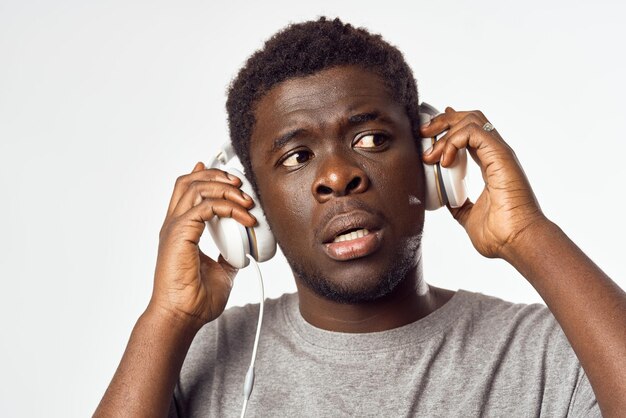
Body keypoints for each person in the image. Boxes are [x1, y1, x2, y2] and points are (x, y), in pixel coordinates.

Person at [94, 17, 626, 417]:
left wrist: (529, 237)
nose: (338, 176)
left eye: (371, 139)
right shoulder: (203, 356)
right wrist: (168, 319)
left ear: (431, 163)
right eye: (297, 157)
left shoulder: (546, 352)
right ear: (249, 204)